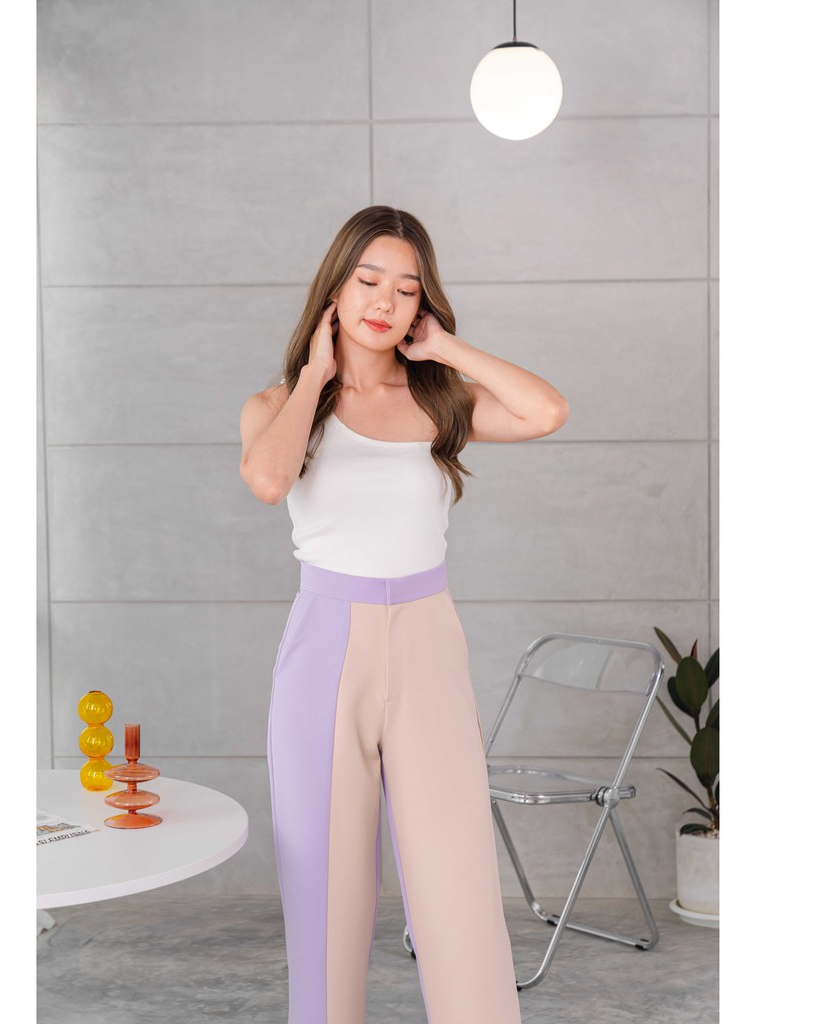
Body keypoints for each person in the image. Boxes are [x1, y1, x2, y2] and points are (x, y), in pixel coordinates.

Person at [238, 205, 568, 1024]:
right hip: (325, 649)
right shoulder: (279, 404)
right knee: (325, 890)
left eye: (407, 288)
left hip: (427, 640)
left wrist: (446, 349)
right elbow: (269, 480)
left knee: (457, 878)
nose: (385, 301)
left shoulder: (438, 402)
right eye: (369, 280)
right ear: (335, 289)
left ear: (423, 303)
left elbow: (546, 411)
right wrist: (315, 377)